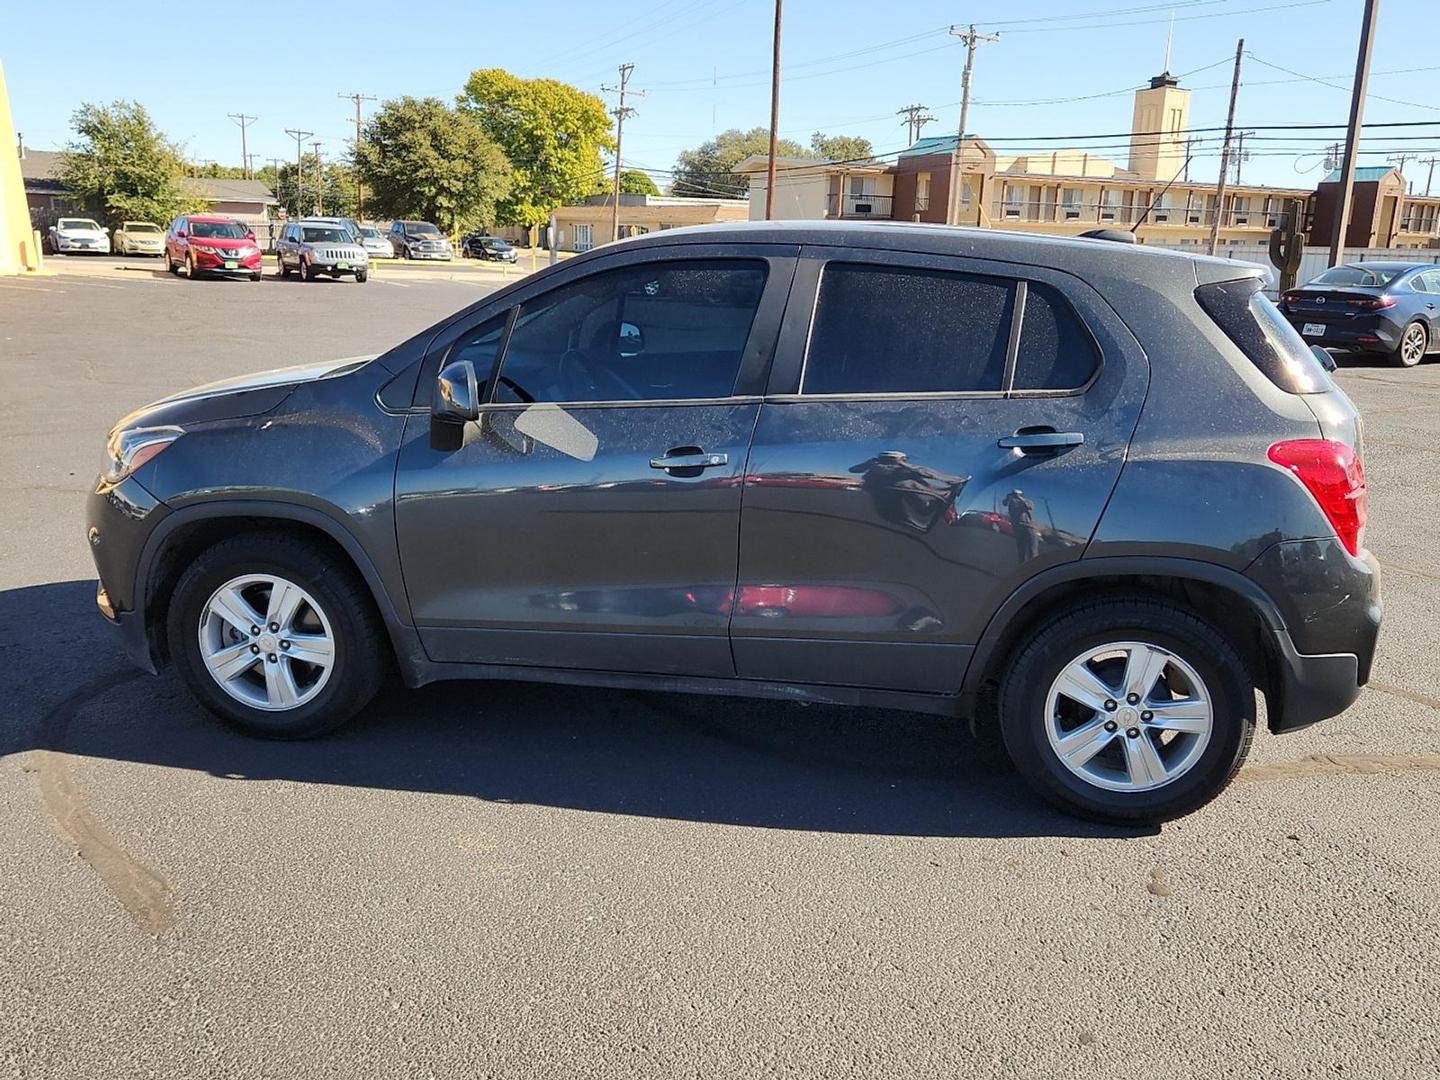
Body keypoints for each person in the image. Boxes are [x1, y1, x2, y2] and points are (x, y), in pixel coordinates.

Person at [1003, 489, 1041, 562]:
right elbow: (1004, 503)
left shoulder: (1027, 501)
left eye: (1016, 494)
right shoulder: (1011, 502)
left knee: (1032, 551)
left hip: (1029, 527)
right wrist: (1008, 497)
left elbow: (1030, 507)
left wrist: (1020, 499)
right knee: (1021, 551)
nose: (1015, 496)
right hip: (1017, 528)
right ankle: (1023, 569)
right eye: (1013, 494)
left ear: (1021, 495)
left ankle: (1034, 568)